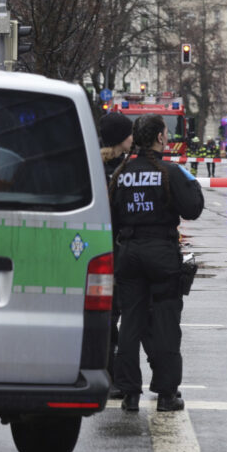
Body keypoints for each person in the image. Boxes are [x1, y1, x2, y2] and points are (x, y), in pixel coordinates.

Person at [110, 115, 204, 413]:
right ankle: (166, 394)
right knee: (165, 324)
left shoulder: (121, 173)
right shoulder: (168, 171)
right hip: (161, 253)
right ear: (161, 138)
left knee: (130, 324)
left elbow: (110, 218)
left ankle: (129, 392)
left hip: (129, 253)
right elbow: (192, 208)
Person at [98, 112, 134, 398]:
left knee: (109, 315)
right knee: (114, 315)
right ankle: (112, 376)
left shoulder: (97, 165)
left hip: (101, 248)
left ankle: (108, 374)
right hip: (114, 251)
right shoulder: (117, 171)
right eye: (129, 133)